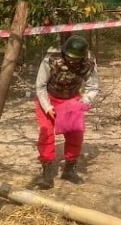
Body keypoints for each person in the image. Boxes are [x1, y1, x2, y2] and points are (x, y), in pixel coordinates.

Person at [34, 35, 99, 189]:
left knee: (76, 134)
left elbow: (93, 87)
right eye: (69, 57)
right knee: (46, 134)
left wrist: (82, 103)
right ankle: (47, 174)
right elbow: (40, 86)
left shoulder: (89, 62)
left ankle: (69, 170)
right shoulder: (50, 60)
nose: (72, 61)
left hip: (72, 100)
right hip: (49, 99)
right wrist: (47, 107)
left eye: (76, 59)